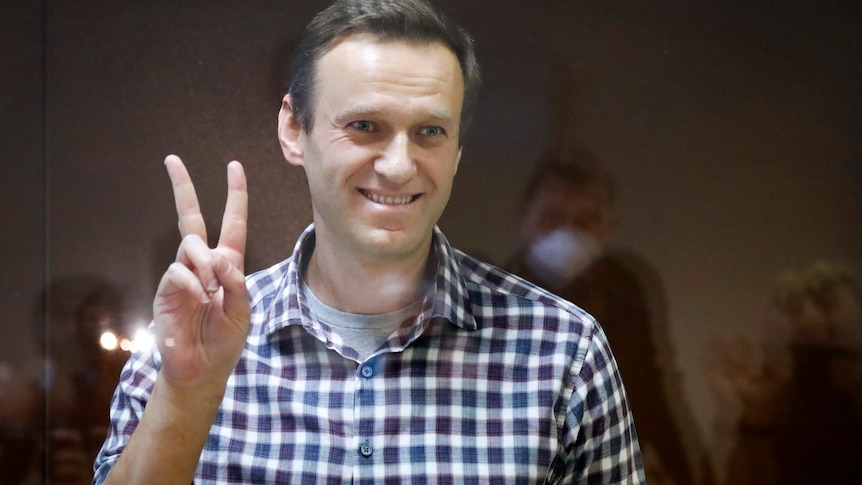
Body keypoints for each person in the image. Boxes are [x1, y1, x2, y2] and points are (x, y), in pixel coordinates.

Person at [94, 1, 644, 483]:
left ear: (456, 150)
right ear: (294, 130)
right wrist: (188, 393)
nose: (400, 166)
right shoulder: (188, 344)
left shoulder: (563, 352)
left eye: (430, 131)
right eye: (364, 126)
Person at [506, 151, 701, 485]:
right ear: (525, 221)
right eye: (551, 217)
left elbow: (647, 387)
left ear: (607, 230)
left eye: (585, 222)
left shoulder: (623, 288)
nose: (566, 234)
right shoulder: (493, 299)